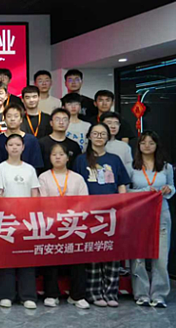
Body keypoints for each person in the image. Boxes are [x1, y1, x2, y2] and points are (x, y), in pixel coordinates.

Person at [74, 123, 130, 307]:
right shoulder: (81, 160)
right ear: (89, 136)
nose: (99, 137)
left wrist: (123, 206)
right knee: (92, 252)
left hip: (112, 212)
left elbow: (121, 184)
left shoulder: (114, 159)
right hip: (89, 213)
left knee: (112, 251)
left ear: (108, 137)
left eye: (102, 134)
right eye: (95, 133)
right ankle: (94, 293)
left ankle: (111, 293)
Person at [37, 142, 91, 309]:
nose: (58, 157)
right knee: (51, 258)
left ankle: (77, 295)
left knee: (77, 259)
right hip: (51, 224)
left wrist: (71, 216)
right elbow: (42, 202)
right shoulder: (44, 177)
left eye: (61, 154)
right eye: (54, 154)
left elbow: (84, 201)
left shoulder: (77, 178)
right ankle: (51, 294)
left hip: (73, 224)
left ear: (68, 158)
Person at [0, 134, 41, 309]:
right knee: (6, 258)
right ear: (6, 147)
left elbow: (34, 193)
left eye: (18, 144)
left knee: (26, 257)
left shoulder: (29, 169)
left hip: (26, 220)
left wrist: (31, 215)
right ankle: (6, 295)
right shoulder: (0, 168)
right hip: (6, 219)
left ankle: (27, 295)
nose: (14, 147)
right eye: (11, 144)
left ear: (23, 147)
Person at [129, 131, 172, 308]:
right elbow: (126, 191)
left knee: (161, 257)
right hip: (138, 215)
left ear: (156, 145)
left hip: (161, 213)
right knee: (138, 256)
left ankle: (159, 294)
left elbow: (173, 187)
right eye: (143, 142)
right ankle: (141, 294)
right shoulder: (131, 166)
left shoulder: (166, 167)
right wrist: (144, 191)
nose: (147, 146)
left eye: (151, 143)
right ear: (138, 145)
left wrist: (168, 189)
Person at [0, 104, 44, 169]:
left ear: (21, 119)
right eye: (9, 116)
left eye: (16, 116)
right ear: (4, 119)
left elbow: (37, 165)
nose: (12, 119)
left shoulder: (32, 140)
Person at [39, 108, 82, 173]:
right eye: (57, 119)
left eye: (65, 120)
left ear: (69, 123)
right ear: (51, 123)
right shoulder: (41, 143)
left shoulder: (74, 145)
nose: (61, 122)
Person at [102, 112, 134, 177]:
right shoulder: (96, 144)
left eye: (116, 123)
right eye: (109, 123)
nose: (113, 126)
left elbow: (129, 168)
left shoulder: (124, 146)